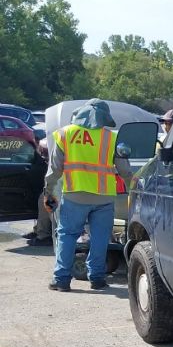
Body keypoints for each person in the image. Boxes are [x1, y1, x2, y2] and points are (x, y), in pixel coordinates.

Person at [44, 100, 133, 292]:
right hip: (103, 196)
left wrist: (48, 190)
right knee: (100, 237)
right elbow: (125, 171)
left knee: (67, 235)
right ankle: (97, 279)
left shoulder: (64, 134)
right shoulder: (112, 137)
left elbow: (55, 170)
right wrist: (134, 189)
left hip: (75, 195)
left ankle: (61, 280)